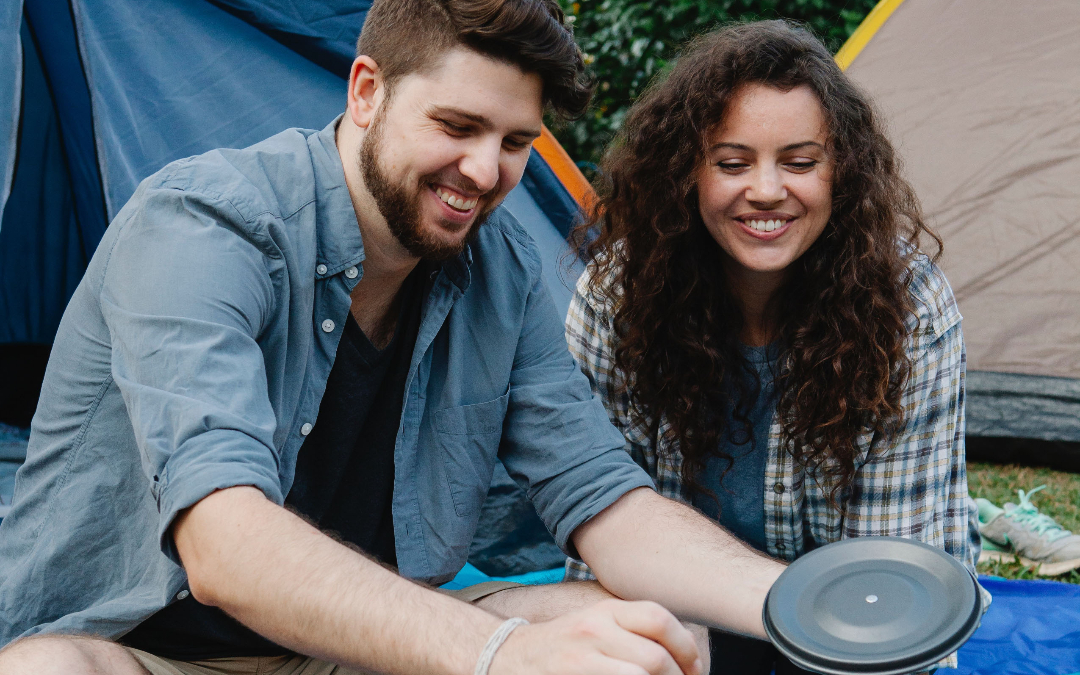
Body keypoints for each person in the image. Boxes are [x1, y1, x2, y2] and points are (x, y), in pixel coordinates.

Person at [0, 1, 787, 674]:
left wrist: (802, 604)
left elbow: (606, 501)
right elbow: (224, 544)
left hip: (349, 650)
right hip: (140, 651)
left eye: (515, 142)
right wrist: (501, 652)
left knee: (655, 634)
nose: (484, 172)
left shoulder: (498, 267)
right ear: (368, 90)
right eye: (458, 125)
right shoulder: (204, 226)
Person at [564, 20, 983, 674]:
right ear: (687, 173)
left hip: (861, 622)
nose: (765, 189)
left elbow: (896, 584)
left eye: (799, 161)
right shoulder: (616, 297)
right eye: (732, 162)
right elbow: (600, 532)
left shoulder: (909, 308)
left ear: (840, 171)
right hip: (679, 614)